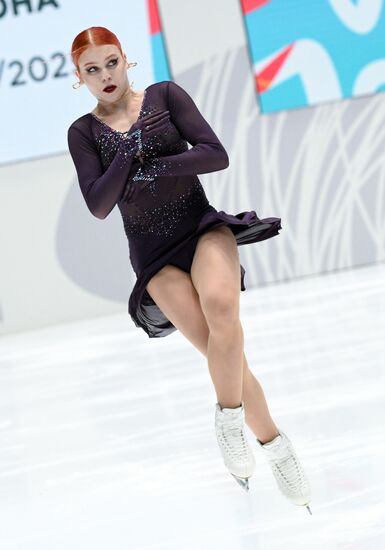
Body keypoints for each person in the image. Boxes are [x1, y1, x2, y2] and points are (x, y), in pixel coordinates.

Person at [67, 26, 312, 513]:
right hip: (153, 254)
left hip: (201, 227)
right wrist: (129, 153)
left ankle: (228, 422)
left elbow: (214, 154)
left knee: (224, 314)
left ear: (125, 60)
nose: (105, 75)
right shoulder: (83, 132)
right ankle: (276, 447)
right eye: (92, 70)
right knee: (225, 355)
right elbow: (98, 204)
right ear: (79, 78)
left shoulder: (165, 95)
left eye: (111, 62)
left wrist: (156, 166)